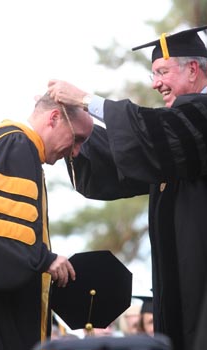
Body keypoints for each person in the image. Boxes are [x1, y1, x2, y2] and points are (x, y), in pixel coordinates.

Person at [47, 24, 207, 350]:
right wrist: (82, 132)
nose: (155, 83)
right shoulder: (175, 134)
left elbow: (157, 133)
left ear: (193, 69)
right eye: (153, 73)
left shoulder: (198, 118)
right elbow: (130, 158)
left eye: (162, 71)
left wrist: (86, 99)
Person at [0, 93, 93, 350]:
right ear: (54, 118)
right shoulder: (15, 146)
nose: (76, 152)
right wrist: (45, 259)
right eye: (78, 139)